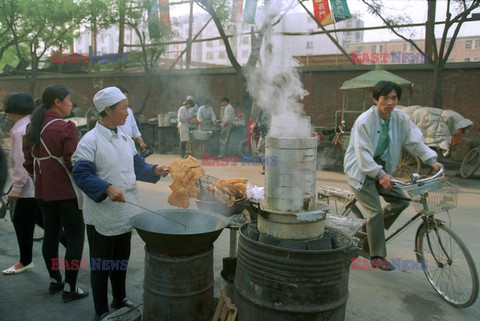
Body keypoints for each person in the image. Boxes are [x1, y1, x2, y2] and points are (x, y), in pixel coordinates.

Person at [71, 86, 169, 320]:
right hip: (103, 214)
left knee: (120, 260)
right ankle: (101, 310)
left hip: (125, 211)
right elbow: (81, 174)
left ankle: (119, 297)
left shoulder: (125, 137)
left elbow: (137, 166)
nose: (128, 112)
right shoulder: (90, 141)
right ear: (107, 110)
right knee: (102, 264)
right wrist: (105, 188)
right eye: (124, 108)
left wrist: (155, 169)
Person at [344, 81, 443, 271]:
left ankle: (366, 233)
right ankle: (377, 255)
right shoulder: (365, 121)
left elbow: (414, 141)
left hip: (383, 168)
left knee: (401, 201)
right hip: (360, 170)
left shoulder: (399, 118)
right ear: (375, 100)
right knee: (375, 213)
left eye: (394, 98)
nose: (390, 102)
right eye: (385, 98)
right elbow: (362, 154)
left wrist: (432, 160)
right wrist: (380, 174)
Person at [23, 85, 88, 301]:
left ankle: (55, 280)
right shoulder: (65, 127)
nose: (72, 104)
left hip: (43, 192)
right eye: (69, 100)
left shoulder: (33, 127)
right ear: (58, 102)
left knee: (50, 236)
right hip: (66, 193)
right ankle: (70, 288)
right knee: (75, 238)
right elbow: (72, 161)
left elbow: (28, 163)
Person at [1, 93, 42, 275]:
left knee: (21, 222)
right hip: (35, 185)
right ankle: (73, 248)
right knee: (45, 221)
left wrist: (16, 188)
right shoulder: (29, 125)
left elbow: (21, 162)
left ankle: (25, 262)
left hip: (27, 188)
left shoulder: (19, 131)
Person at [115, 86, 147, 151]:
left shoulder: (129, 111)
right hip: (116, 145)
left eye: (126, 98)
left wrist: (141, 142)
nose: (125, 100)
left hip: (128, 144)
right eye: (122, 98)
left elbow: (134, 129)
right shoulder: (113, 113)